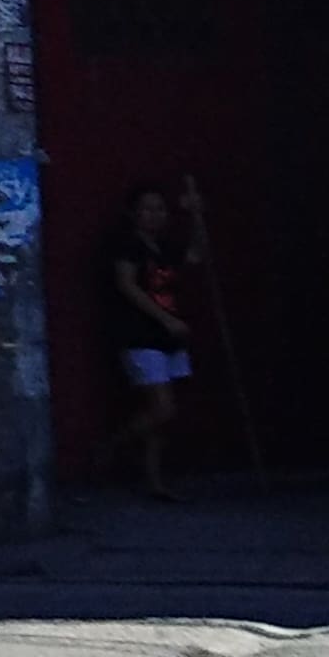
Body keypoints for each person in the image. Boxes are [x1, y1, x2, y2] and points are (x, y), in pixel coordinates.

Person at [102, 180, 196, 500]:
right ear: (133, 213)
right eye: (146, 209)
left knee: (162, 417)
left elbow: (198, 257)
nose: (153, 215)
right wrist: (166, 319)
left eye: (159, 209)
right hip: (140, 333)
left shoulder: (168, 247)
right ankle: (111, 449)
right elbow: (127, 286)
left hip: (169, 335)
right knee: (162, 408)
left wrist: (196, 214)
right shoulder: (127, 245)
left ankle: (155, 481)